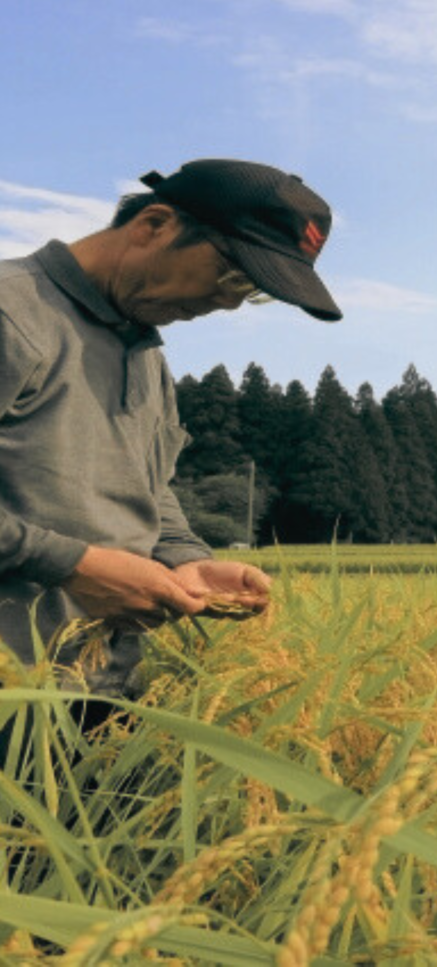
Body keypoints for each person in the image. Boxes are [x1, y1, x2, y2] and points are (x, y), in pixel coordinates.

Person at [0, 157, 342, 700]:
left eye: (253, 291)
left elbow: (147, 490)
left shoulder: (145, 356)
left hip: (101, 690)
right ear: (154, 226)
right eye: (232, 273)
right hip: (13, 694)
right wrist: (75, 565)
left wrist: (190, 560)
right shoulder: (11, 312)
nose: (230, 303)